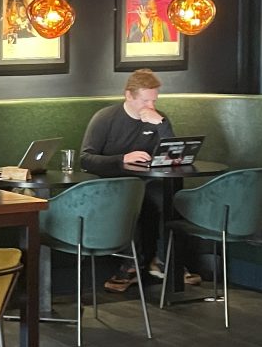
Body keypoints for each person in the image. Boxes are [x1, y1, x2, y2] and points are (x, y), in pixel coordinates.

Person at [80, 69, 200, 292]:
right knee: (132, 200)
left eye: (154, 100)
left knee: (170, 199)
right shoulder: (105, 118)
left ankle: (165, 261)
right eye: (145, 100)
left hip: (148, 180)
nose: (151, 106)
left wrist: (161, 125)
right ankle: (130, 265)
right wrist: (122, 158)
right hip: (114, 181)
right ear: (129, 95)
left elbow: (174, 155)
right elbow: (86, 159)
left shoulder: (158, 118)